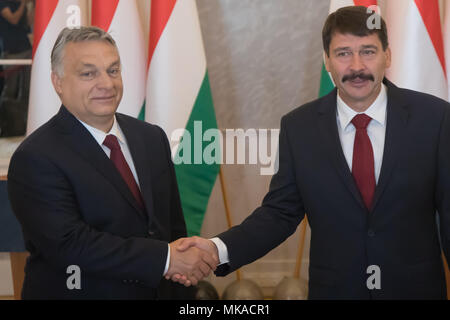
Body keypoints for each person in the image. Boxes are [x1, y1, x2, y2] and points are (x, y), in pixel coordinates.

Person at [173, 6, 450, 299]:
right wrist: (217, 250)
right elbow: (279, 213)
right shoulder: (299, 128)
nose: (357, 66)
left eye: (368, 51)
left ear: (388, 56)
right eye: (343, 53)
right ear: (327, 61)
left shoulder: (434, 119)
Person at [7, 27, 217, 300]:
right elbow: (70, 245)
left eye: (113, 70)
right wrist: (166, 259)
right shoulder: (35, 157)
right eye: (88, 73)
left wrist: (180, 278)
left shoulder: (151, 137)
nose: (106, 83)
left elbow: (171, 227)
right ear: (57, 82)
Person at [0, 0, 33, 136]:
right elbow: (13, 19)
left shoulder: (20, 3)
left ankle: (23, 124)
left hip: (26, 48)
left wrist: (33, 8)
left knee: (26, 89)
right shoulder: (3, 3)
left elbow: (28, 24)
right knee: (10, 90)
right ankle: (7, 125)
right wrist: (23, 5)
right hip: (11, 51)